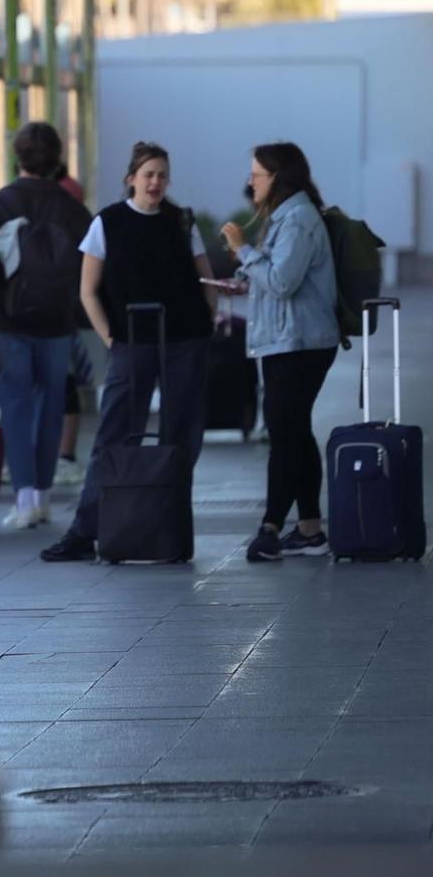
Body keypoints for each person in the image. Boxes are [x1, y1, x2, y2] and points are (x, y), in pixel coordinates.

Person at [41, 142, 220, 562]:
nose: (156, 182)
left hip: (183, 340)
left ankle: (169, 524)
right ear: (131, 179)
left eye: (162, 174)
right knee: (115, 433)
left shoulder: (181, 221)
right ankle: (87, 529)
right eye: (148, 174)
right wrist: (109, 337)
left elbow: (205, 281)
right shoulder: (108, 223)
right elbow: (87, 290)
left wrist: (205, 325)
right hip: (131, 341)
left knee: (181, 437)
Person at [221, 143, 339, 562]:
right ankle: (309, 529)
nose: (250, 181)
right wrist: (244, 277)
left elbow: (283, 280)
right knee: (295, 431)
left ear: (279, 178)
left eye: (258, 174)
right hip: (287, 340)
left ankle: (270, 526)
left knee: (284, 433)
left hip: (300, 344)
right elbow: (277, 278)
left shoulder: (298, 219)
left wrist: (241, 249)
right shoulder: (286, 217)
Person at [0, 122, 92, 530]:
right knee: (51, 406)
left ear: (16, 157)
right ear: (58, 159)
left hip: (8, 322)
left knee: (17, 407)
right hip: (58, 321)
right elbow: (89, 267)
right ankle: (44, 494)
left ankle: (24, 498)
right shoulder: (72, 209)